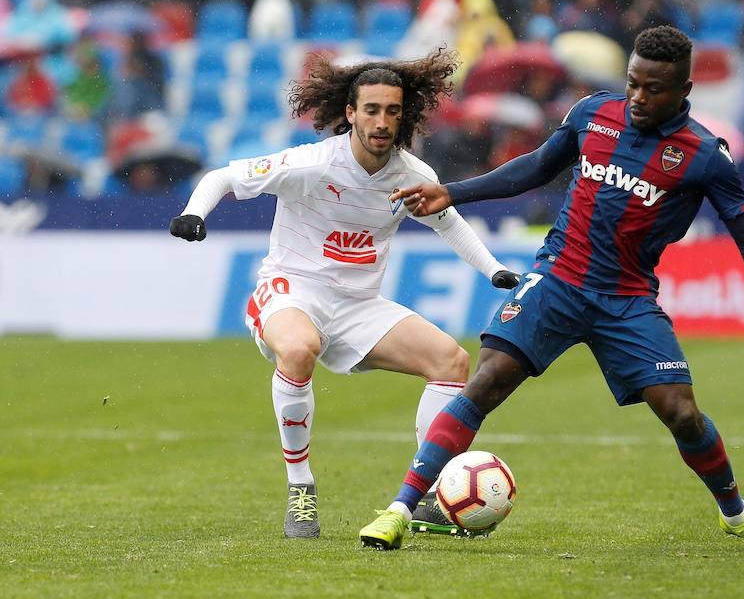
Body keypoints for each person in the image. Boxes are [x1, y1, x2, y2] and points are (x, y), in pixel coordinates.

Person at [359, 26, 744, 552]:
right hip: (559, 278)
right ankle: (399, 509)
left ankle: (738, 516)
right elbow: (535, 168)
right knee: (485, 381)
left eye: (654, 90)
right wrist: (452, 192)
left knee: (682, 413)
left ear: (684, 91)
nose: (638, 97)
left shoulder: (705, 156)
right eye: (633, 83)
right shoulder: (595, 113)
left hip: (627, 299)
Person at [169, 49, 520, 539]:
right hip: (293, 291)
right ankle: (301, 488)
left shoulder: (413, 175)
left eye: (392, 112)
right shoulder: (311, 164)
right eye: (371, 110)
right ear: (350, 113)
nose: (382, 122)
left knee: (451, 361)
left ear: (406, 116)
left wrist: (495, 270)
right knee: (297, 349)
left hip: (358, 306)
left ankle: (428, 495)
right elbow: (224, 177)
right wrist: (196, 212)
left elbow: (448, 222)